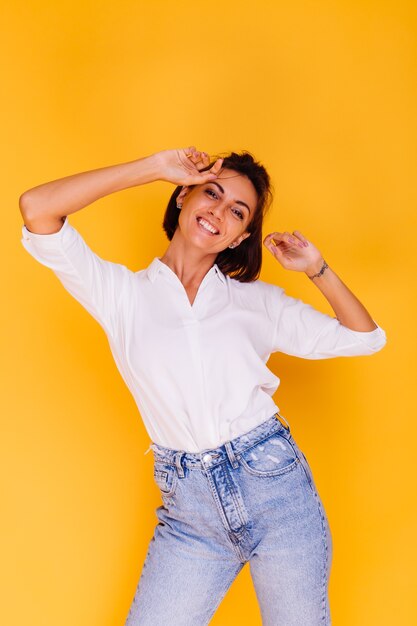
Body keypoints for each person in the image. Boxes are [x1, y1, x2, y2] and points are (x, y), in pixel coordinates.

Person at [19, 147, 387, 625]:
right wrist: (152, 168)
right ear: (182, 197)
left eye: (238, 211)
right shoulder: (121, 295)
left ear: (241, 236)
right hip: (190, 512)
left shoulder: (258, 304)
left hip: (277, 491)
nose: (218, 212)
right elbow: (37, 208)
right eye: (211, 193)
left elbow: (366, 339)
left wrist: (316, 269)